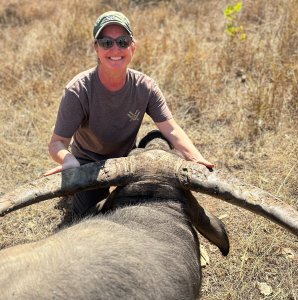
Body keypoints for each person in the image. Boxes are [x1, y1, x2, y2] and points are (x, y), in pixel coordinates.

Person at [44, 11, 214, 217]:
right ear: (96, 48)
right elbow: (57, 143)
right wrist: (69, 162)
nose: (115, 49)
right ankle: (80, 196)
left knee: (158, 137)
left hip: (128, 161)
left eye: (123, 42)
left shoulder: (145, 86)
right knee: (91, 217)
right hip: (90, 165)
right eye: (106, 42)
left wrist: (196, 159)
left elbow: (170, 128)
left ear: (133, 47)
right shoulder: (78, 90)